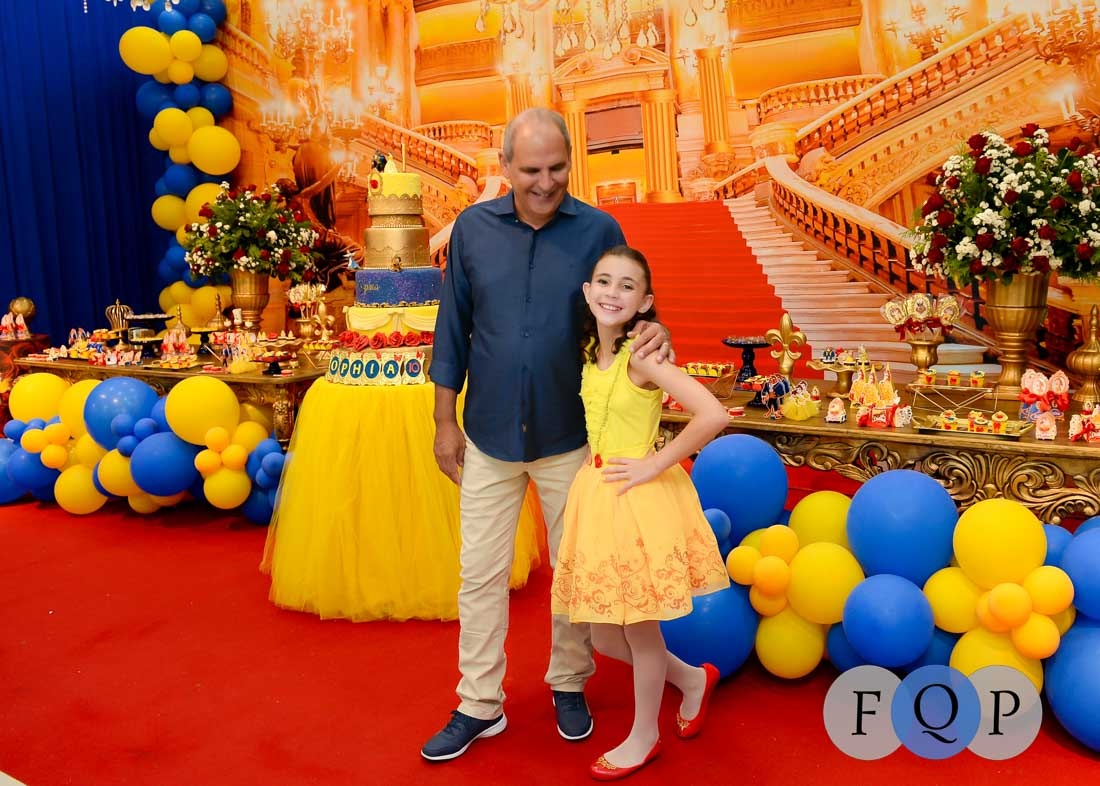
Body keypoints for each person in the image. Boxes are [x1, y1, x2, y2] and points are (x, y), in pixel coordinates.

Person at [423, 108, 673, 762]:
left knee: (575, 573)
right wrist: (445, 421)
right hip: (487, 433)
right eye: (531, 170)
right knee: (479, 574)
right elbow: (452, 328)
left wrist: (654, 331)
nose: (545, 182)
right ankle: (478, 703)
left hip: (571, 435)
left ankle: (569, 681)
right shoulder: (473, 230)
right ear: (505, 166)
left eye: (557, 168)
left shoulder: (599, 230)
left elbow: (629, 305)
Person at [551, 246, 730, 779]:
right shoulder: (592, 353)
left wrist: (653, 463)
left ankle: (644, 735)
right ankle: (693, 679)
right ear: (588, 292)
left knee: (639, 629)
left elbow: (712, 413)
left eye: (627, 286)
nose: (613, 292)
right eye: (604, 282)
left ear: (645, 302)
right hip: (597, 492)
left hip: (636, 498)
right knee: (606, 633)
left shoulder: (642, 355)